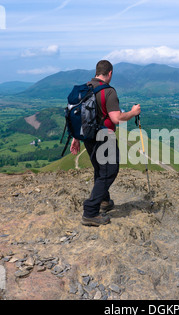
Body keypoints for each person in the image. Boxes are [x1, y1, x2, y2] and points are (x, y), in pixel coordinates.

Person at [70, 60, 141, 226]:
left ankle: (104, 201)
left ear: (96, 72)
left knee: (100, 169)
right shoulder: (108, 92)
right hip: (104, 136)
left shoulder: (85, 88)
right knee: (109, 171)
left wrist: (76, 138)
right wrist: (133, 112)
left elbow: (79, 116)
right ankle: (90, 212)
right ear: (110, 73)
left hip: (88, 137)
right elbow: (116, 119)